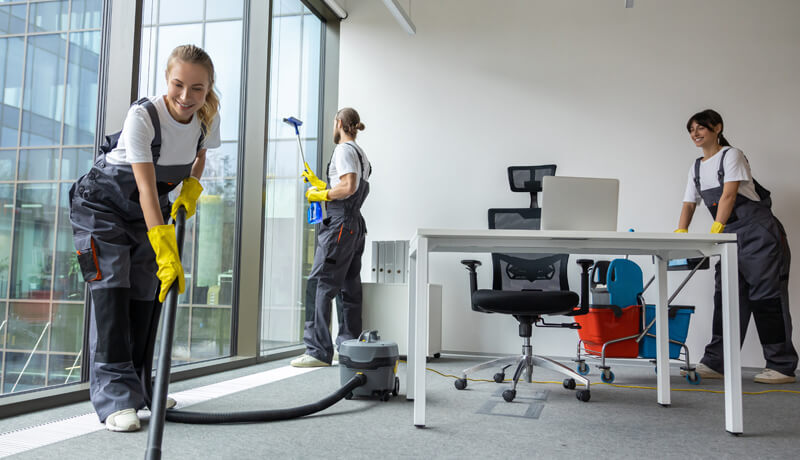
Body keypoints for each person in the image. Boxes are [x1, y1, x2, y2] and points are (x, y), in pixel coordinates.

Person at [69, 44, 221, 431]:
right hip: (102, 209)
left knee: (145, 297)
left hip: (143, 214)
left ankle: (142, 388)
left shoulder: (207, 117)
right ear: (166, 80)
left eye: (197, 88)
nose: (187, 97)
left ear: (208, 88)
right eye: (178, 85)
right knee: (113, 294)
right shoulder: (144, 116)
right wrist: (165, 246)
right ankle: (114, 399)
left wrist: (192, 188)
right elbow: (147, 187)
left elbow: (199, 155)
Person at [675, 109, 797, 384]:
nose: (695, 133)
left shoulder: (732, 155)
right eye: (691, 129)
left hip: (758, 234)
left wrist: (717, 226)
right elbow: (689, 203)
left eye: (701, 127)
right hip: (729, 236)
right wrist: (681, 231)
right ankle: (717, 362)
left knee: (766, 299)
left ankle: (781, 366)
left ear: (717, 127)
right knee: (727, 297)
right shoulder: (696, 167)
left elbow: (729, 194)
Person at [291, 108, 372, 367]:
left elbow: (349, 187)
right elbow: (351, 187)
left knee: (319, 283)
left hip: (340, 223)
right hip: (354, 225)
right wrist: (322, 184)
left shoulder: (344, 150)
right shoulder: (361, 153)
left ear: (338, 123)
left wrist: (322, 195)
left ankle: (317, 351)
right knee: (348, 286)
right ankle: (348, 346)